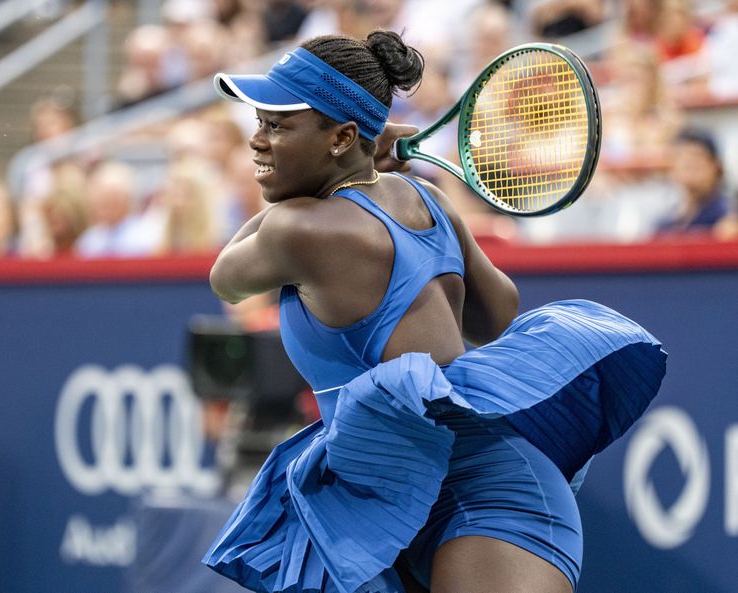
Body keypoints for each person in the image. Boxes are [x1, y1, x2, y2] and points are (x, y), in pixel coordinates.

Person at [202, 31, 667, 593]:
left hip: (485, 501)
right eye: (258, 122)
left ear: (342, 136)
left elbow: (225, 278)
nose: (257, 141)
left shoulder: (297, 228)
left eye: (277, 125)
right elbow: (497, 316)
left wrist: (345, 175)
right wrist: (373, 168)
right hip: (394, 503)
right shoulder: (428, 199)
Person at [655, 128, 733, 236]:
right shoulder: (666, 222)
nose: (688, 164)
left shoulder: (728, 215)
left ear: (716, 166)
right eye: (681, 157)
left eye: (696, 157)